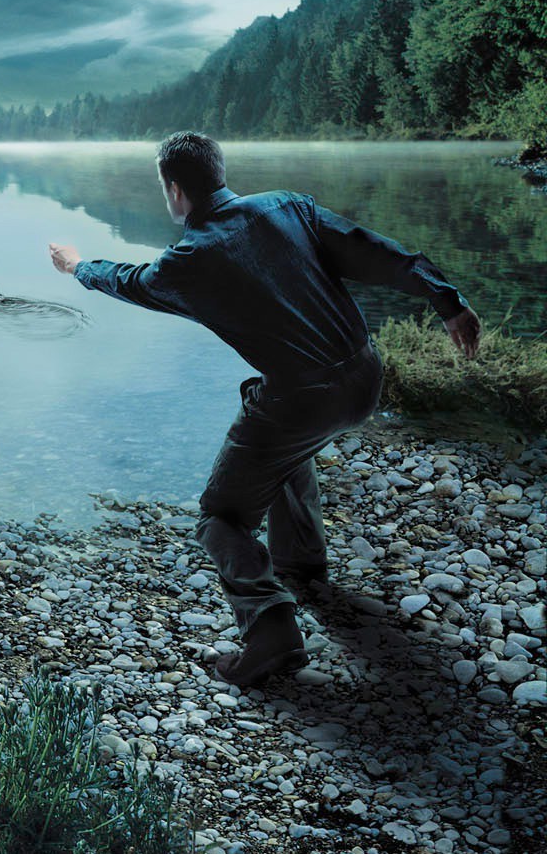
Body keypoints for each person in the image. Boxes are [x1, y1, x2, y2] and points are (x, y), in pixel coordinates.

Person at [46, 131, 482, 689]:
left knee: (219, 517)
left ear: (175, 191)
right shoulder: (287, 206)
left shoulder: (189, 260)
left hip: (304, 401)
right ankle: (301, 562)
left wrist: (77, 266)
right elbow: (373, 250)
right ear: (220, 173)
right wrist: (446, 299)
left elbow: (129, 281)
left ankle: (271, 630)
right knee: (263, 411)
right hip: (366, 376)